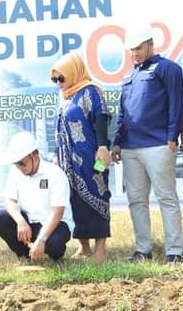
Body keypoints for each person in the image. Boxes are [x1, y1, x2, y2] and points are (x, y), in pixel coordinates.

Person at [112, 26, 183, 264]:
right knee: (136, 200)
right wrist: (117, 142)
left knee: (166, 198)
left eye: (138, 48)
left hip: (158, 145)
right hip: (130, 147)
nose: (134, 53)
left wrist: (172, 137)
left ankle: (175, 251)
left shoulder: (168, 69)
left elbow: (177, 104)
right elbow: (123, 111)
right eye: (131, 49)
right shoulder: (128, 75)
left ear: (150, 44)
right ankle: (143, 249)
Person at [51, 52, 112, 263]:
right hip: (68, 162)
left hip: (92, 157)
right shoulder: (65, 96)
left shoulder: (90, 91)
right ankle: (84, 247)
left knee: (98, 195)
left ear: (73, 73)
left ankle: (100, 249)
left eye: (61, 77)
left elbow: (101, 118)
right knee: (75, 201)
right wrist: (56, 155)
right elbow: (59, 129)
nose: (58, 83)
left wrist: (103, 147)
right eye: (54, 79)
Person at [0, 131, 74, 262]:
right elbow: (10, 200)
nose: (19, 167)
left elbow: (57, 212)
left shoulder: (55, 174)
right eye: (15, 163)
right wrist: (20, 221)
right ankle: (24, 254)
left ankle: (53, 253)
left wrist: (41, 240)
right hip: (29, 222)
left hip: (54, 224)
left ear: (35, 156)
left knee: (54, 244)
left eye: (21, 163)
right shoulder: (16, 172)